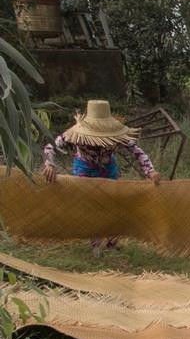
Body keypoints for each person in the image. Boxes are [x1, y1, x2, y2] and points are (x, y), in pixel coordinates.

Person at [43, 99, 162, 258]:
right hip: (85, 169)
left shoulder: (118, 135)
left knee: (113, 204)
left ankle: (112, 243)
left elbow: (138, 152)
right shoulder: (75, 134)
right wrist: (49, 164)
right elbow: (51, 146)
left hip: (108, 170)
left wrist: (151, 171)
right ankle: (95, 244)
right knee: (91, 206)